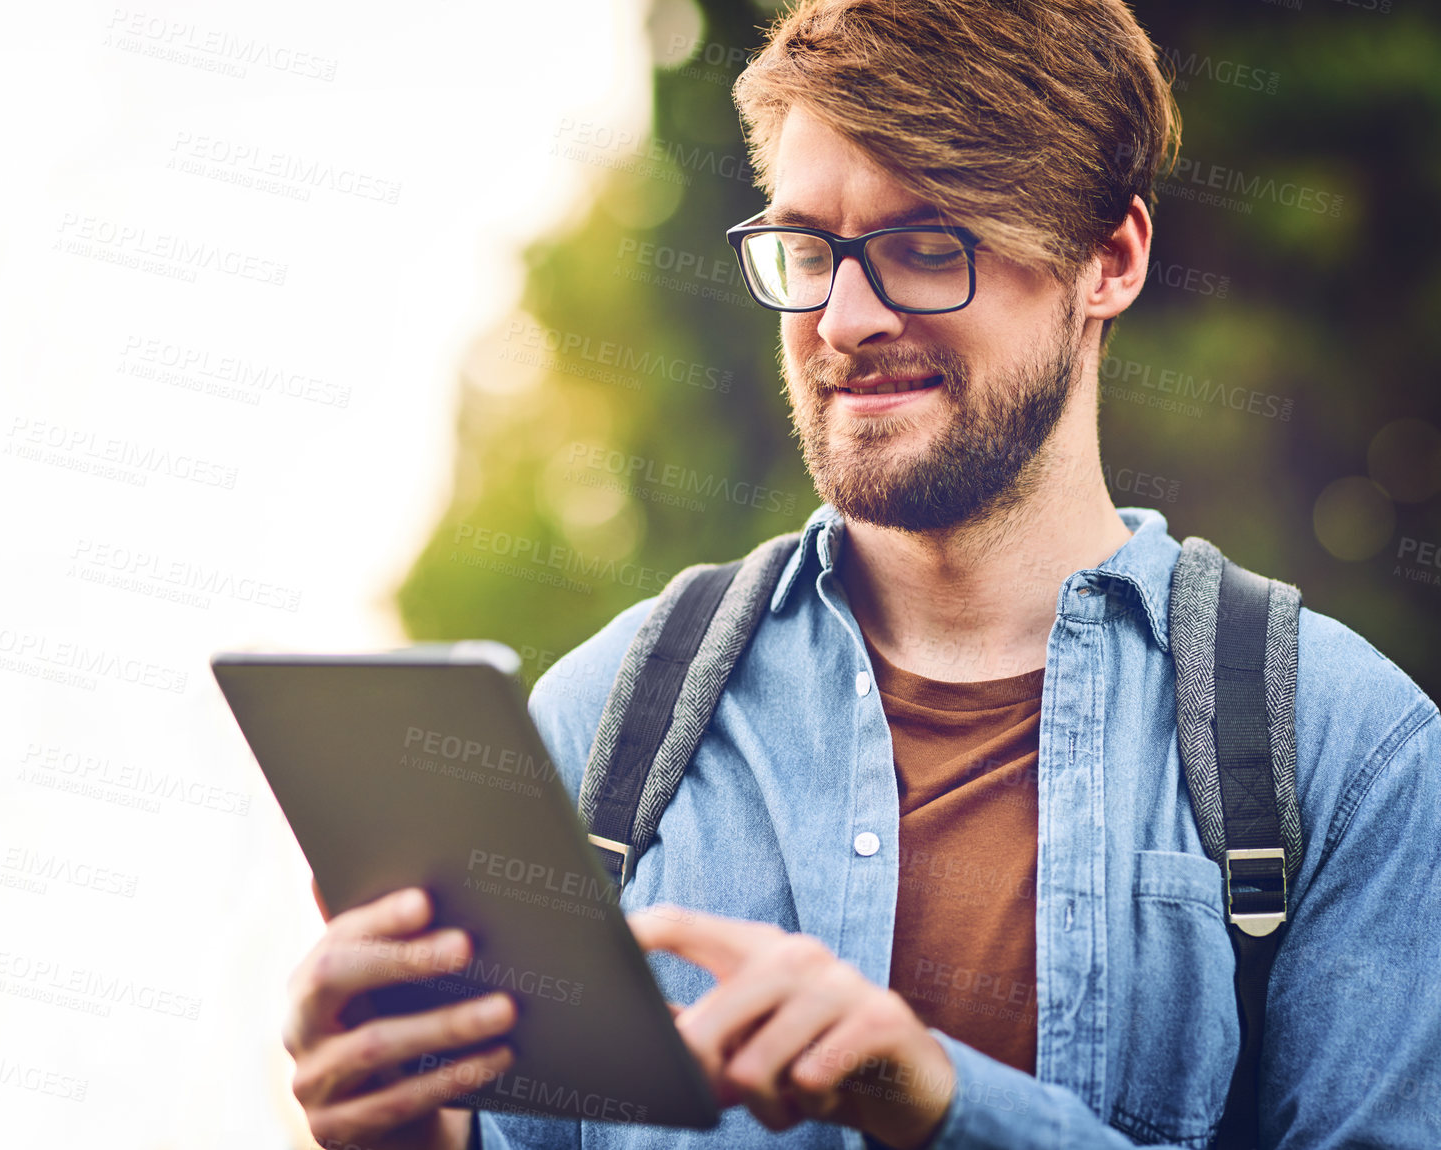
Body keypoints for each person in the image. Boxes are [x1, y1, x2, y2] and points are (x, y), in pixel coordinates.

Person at [282, 1, 1441, 1147]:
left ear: (1108, 258)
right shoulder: (597, 728)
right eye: (806, 249)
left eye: (924, 246)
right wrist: (409, 1138)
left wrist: (940, 1101)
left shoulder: (1344, 751)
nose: (840, 318)